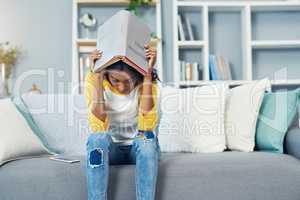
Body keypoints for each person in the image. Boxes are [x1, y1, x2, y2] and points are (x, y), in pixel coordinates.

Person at [84, 44, 161, 200]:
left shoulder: (146, 83)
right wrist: (97, 77)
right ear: (107, 75)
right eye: (115, 80)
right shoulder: (96, 80)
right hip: (111, 149)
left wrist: (147, 76)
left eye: (128, 81)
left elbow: (147, 126)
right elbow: (97, 127)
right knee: (96, 138)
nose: (121, 87)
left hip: (139, 148)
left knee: (147, 139)